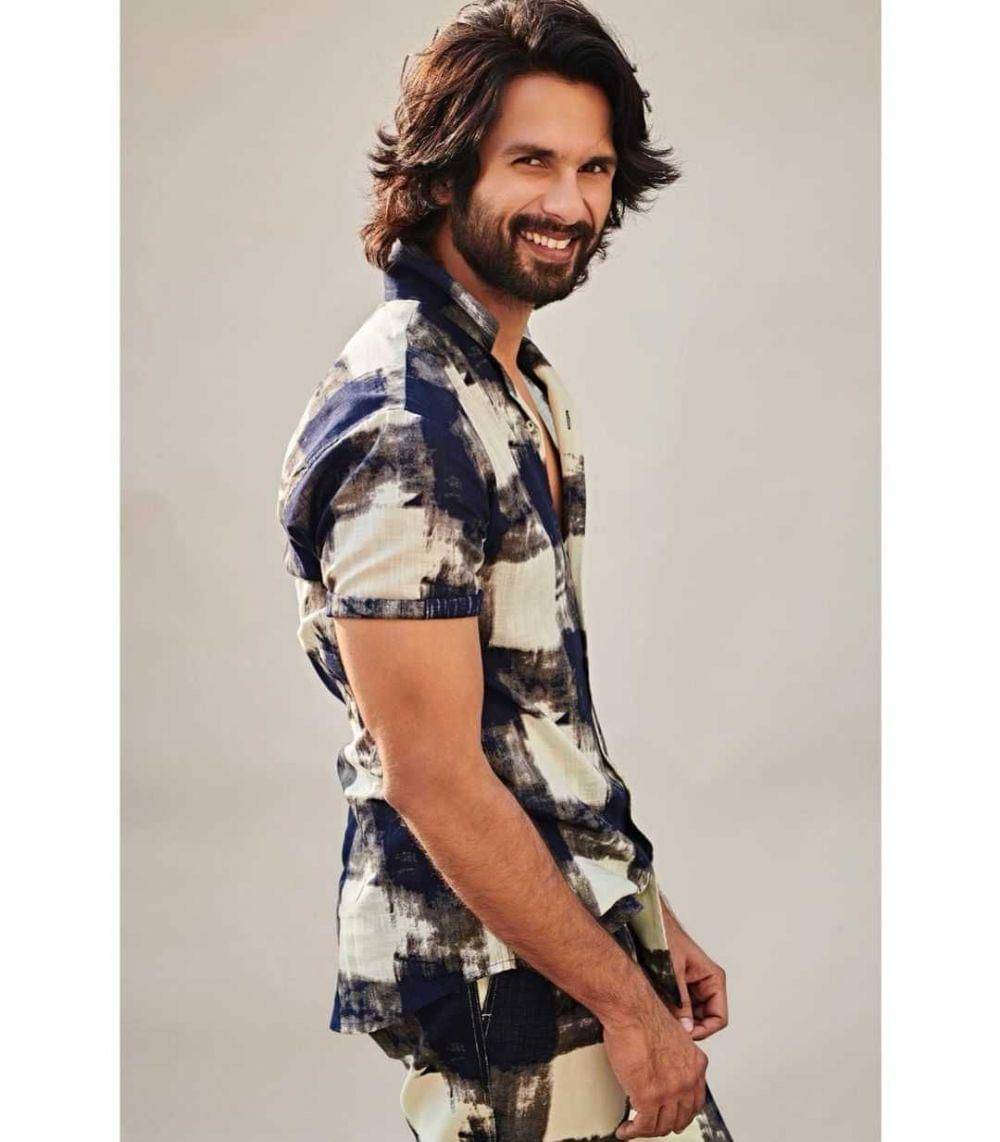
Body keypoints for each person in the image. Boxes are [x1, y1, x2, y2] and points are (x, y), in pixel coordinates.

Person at [277, 2, 733, 1137]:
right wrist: (626, 1003)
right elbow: (433, 772)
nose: (569, 204)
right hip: (499, 993)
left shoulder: (518, 384)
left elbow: (532, 725)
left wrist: (644, 914)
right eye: (531, 161)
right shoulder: (409, 419)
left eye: (593, 168)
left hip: (567, 951)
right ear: (445, 171)